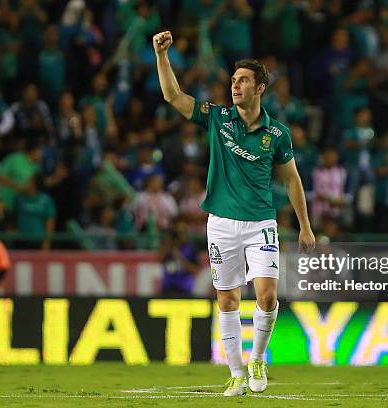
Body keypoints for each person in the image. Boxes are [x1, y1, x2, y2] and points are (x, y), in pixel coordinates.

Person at [153, 31, 315, 396]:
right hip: (222, 224)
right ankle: (237, 372)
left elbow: (292, 180)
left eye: (243, 81)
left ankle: (258, 358)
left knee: (267, 295)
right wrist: (162, 57)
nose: (235, 86)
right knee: (226, 298)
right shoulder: (218, 117)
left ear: (260, 88)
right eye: (233, 80)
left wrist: (305, 226)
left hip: (261, 223)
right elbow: (173, 96)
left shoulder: (277, 133)